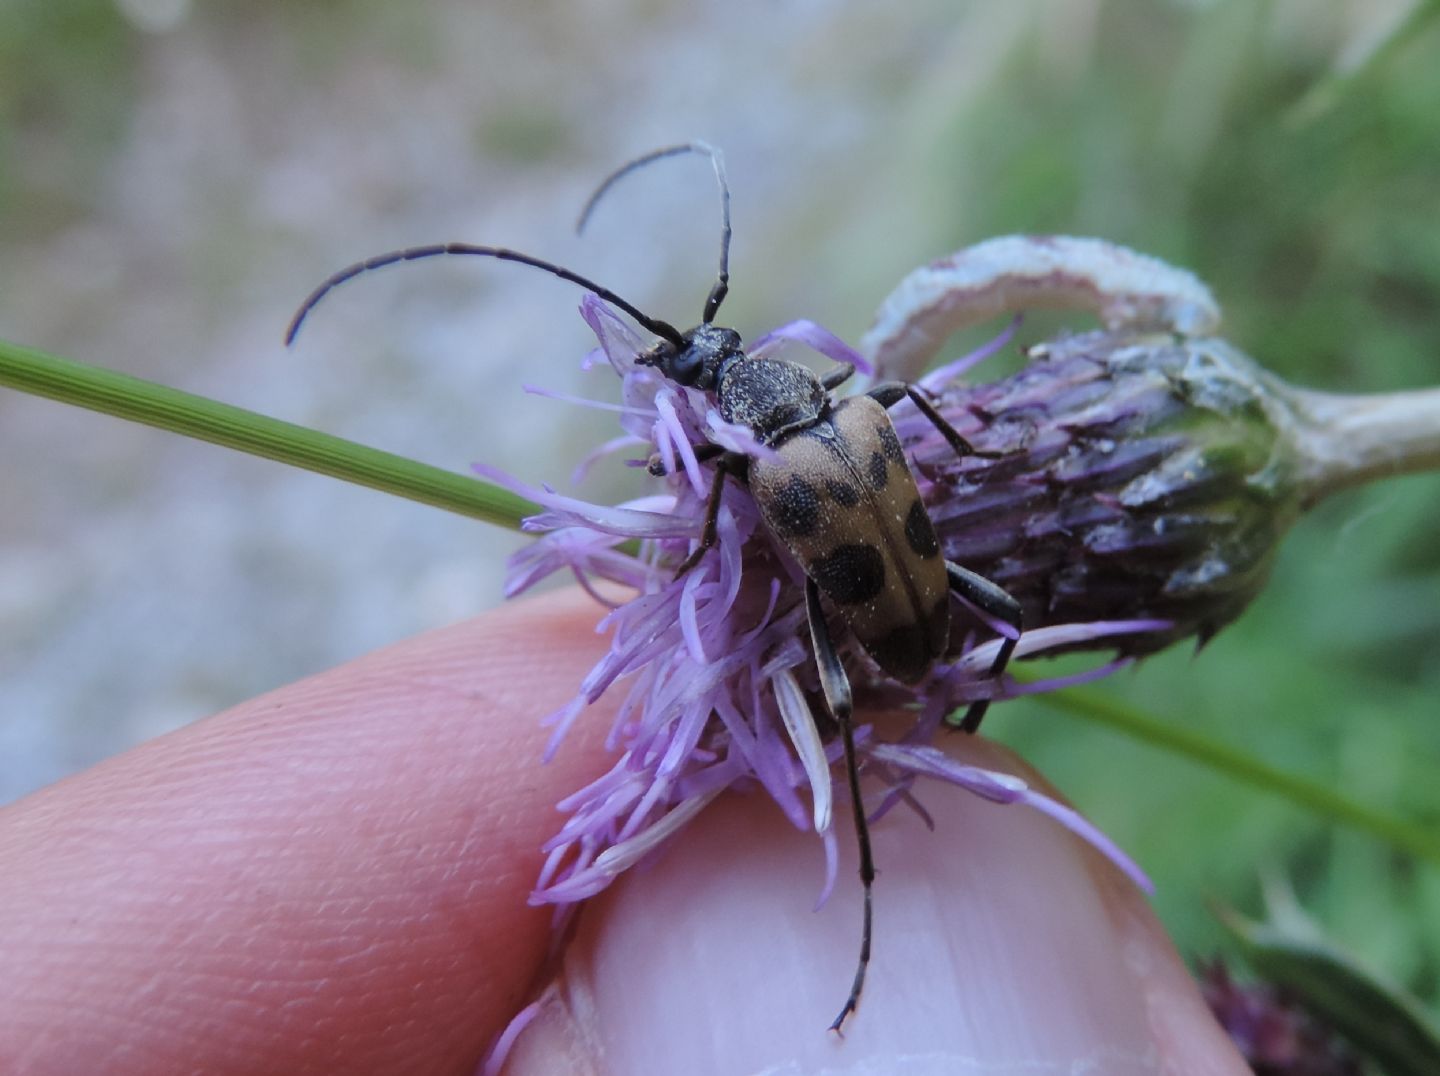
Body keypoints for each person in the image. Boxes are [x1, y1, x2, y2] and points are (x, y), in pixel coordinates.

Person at [0, 588, 1247, 1074]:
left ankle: (875, 859)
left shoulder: (792, 463)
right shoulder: (832, 431)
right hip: (898, 614)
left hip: (866, 622)